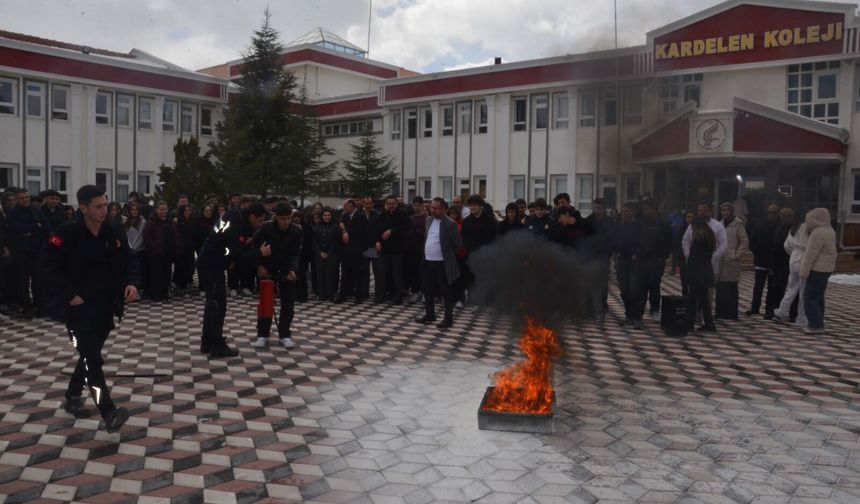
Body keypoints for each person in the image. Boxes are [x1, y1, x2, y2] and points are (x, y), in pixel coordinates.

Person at [41, 185, 139, 431]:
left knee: (88, 355)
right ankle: (108, 411)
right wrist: (70, 294)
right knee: (93, 359)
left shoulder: (113, 230)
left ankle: (72, 396)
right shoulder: (67, 232)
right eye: (98, 206)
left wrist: (132, 283)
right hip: (78, 309)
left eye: (105, 204)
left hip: (106, 307)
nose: (104, 210)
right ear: (83, 208)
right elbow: (47, 267)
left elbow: (129, 259)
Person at [197, 204, 267, 359]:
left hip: (211, 262)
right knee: (217, 306)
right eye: (260, 220)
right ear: (252, 216)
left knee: (212, 304)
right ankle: (216, 346)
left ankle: (207, 342)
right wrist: (259, 253)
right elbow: (237, 254)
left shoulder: (233, 219)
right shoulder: (237, 225)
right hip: (212, 264)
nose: (260, 224)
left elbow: (230, 248)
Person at [252, 203, 303, 349]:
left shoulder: (296, 231)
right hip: (268, 269)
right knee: (266, 303)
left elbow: (296, 253)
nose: (285, 222)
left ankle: (285, 334)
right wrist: (259, 266)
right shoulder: (265, 229)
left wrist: (294, 270)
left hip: (287, 269)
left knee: (288, 304)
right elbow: (254, 249)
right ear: (276, 217)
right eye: (282, 219)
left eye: (288, 218)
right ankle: (262, 333)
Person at [415, 198, 463, 329]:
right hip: (428, 260)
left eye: (436, 208)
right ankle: (429, 314)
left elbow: (458, 245)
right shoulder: (428, 220)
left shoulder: (450, 224)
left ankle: (448, 317)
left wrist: (447, 253)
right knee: (427, 289)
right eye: (432, 207)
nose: (434, 210)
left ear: (443, 209)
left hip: (442, 263)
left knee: (445, 291)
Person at [7, 188, 48, 318]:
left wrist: (31, 230)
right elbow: (17, 229)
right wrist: (36, 226)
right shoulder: (13, 213)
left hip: (37, 251)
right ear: (17, 199)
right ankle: (27, 308)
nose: (25, 200)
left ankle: (40, 307)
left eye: (27, 197)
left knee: (38, 281)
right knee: (23, 283)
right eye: (22, 198)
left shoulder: (36, 211)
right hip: (22, 252)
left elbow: (45, 227)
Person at [682, 201, 727, 316]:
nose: (701, 213)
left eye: (704, 210)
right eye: (699, 211)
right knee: (693, 293)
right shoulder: (693, 225)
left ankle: (705, 316)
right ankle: (694, 315)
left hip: (711, 266)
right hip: (694, 265)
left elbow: (723, 245)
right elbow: (686, 241)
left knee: (707, 294)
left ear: (710, 211)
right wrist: (688, 255)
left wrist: (713, 257)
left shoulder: (717, 226)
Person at [800, 207, 836, 334]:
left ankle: (815, 325)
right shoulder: (830, 230)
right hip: (826, 269)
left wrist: (804, 271)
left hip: (817, 269)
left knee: (810, 297)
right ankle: (818, 322)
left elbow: (811, 254)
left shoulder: (818, 232)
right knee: (819, 297)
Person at [638, 198, 674, 321]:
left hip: (657, 260)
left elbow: (670, 241)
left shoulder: (663, 224)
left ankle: (654, 310)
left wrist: (663, 256)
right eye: (643, 209)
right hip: (642, 260)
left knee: (654, 286)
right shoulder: (641, 223)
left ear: (653, 209)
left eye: (646, 209)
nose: (644, 211)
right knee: (641, 287)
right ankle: (639, 311)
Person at [585, 198, 617, 322]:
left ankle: (602, 307)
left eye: (599, 208)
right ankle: (595, 310)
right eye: (595, 208)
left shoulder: (610, 222)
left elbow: (613, 238)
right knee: (593, 284)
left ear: (604, 208)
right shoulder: (588, 221)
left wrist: (609, 252)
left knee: (602, 285)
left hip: (604, 257)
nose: (597, 210)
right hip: (591, 257)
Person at [373, 195, 409, 305]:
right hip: (384, 250)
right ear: (386, 205)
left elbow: (406, 227)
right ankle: (381, 295)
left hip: (397, 250)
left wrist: (391, 231)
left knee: (397, 274)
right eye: (389, 204)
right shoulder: (382, 215)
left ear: (396, 204)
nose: (391, 206)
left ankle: (398, 296)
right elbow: (377, 230)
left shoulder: (402, 214)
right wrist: (377, 241)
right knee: (382, 273)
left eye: (393, 204)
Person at [715, 202, 749, 320]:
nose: (725, 213)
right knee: (720, 287)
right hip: (720, 259)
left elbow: (744, 241)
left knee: (731, 287)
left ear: (732, 211)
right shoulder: (719, 224)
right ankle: (720, 311)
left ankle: (731, 313)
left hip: (731, 259)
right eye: (723, 210)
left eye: (727, 210)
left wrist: (736, 254)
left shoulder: (738, 224)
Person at [746, 204, 780, 316]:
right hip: (761, 260)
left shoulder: (780, 226)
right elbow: (752, 240)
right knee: (758, 286)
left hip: (774, 262)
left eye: (773, 213)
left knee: (772, 287)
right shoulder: (760, 225)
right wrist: (756, 251)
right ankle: (754, 308)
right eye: (769, 212)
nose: (771, 215)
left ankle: (769, 309)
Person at [773, 217, 808, 326]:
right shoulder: (809, 228)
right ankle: (801, 317)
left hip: (793, 259)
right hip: (804, 258)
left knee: (791, 288)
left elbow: (786, 245)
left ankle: (781, 311)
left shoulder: (794, 228)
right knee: (803, 291)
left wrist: (792, 254)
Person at [142, 202, 179, 301]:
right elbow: (146, 236)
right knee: (156, 275)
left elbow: (174, 235)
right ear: (157, 210)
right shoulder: (151, 222)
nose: (163, 211)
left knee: (167, 274)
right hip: (156, 253)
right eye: (161, 209)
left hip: (168, 252)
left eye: (165, 209)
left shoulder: (170, 221)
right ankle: (155, 295)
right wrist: (153, 247)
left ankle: (164, 293)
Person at [616, 202, 644, 330]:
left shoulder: (639, 226)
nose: (624, 214)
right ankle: (628, 315)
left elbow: (644, 243)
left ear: (633, 212)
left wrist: (637, 254)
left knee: (635, 290)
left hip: (635, 261)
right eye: (622, 211)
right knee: (624, 290)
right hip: (622, 260)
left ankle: (637, 317)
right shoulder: (620, 226)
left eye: (626, 211)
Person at [686, 217, 717, 332]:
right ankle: (709, 322)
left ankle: (689, 323)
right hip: (705, 271)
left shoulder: (699, 240)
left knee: (692, 299)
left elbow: (695, 257)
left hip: (697, 273)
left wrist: (689, 271)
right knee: (704, 299)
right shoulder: (709, 238)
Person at [338, 199, 368, 303]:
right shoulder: (344, 216)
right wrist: (343, 230)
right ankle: (342, 295)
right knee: (345, 272)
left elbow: (358, 231)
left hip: (356, 249)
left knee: (357, 273)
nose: (344, 208)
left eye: (345, 206)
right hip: (346, 249)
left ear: (351, 206)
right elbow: (341, 227)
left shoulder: (360, 216)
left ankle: (358, 296)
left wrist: (346, 231)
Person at [767, 208, 795, 319]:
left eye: (786, 216)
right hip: (778, 265)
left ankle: (793, 313)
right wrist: (772, 265)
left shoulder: (796, 230)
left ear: (792, 216)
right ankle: (774, 310)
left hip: (791, 263)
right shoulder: (778, 229)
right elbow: (774, 247)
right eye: (782, 216)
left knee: (793, 290)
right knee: (777, 288)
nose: (783, 218)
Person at [404, 197, 428, 304]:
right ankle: (415, 291)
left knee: (422, 272)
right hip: (411, 248)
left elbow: (424, 232)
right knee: (413, 271)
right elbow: (407, 231)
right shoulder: (410, 218)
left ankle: (424, 292)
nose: (417, 207)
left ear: (422, 206)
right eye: (415, 205)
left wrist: (415, 232)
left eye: (419, 205)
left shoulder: (426, 218)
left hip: (421, 249)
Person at [314, 208, 341, 301]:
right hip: (319, 255)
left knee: (331, 274)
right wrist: (320, 252)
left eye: (328, 215)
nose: (327, 217)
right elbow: (315, 242)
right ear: (322, 217)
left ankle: (331, 294)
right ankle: (321, 294)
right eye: (325, 215)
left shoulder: (335, 227)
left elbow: (336, 242)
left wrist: (328, 253)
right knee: (320, 274)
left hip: (332, 255)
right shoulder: (317, 227)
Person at [124, 202, 147, 295]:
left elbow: (140, 236)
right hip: (129, 250)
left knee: (140, 271)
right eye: (132, 210)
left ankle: (140, 289)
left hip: (139, 250)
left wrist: (134, 247)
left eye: (136, 209)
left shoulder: (142, 221)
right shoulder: (127, 221)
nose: (134, 211)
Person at [173, 205, 197, 295]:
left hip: (190, 248)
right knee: (180, 267)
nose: (187, 212)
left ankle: (187, 284)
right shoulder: (177, 220)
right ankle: (180, 286)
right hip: (180, 248)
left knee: (190, 267)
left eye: (189, 210)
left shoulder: (193, 220)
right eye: (185, 210)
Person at [292, 211, 314, 302]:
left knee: (302, 274)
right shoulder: (291, 227)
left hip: (304, 255)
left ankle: (302, 295)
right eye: (295, 217)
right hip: (294, 254)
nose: (297, 219)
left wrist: (301, 231)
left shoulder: (307, 227)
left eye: (298, 217)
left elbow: (309, 240)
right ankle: (294, 294)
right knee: (294, 274)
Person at [675, 211, 695, 297]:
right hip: (683, 259)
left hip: (696, 259)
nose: (689, 219)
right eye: (688, 217)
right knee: (684, 281)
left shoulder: (698, 229)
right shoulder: (681, 229)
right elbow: (677, 245)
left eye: (692, 217)